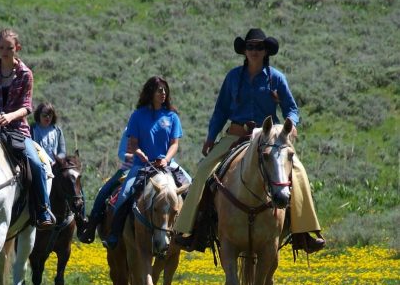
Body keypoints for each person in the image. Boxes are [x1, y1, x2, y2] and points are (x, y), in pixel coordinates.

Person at [174, 28, 324, 254]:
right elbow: (221, 110)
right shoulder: (233, 77)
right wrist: (211, 138)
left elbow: (292, 109)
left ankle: (303, 233)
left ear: (266, 51)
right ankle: (193, 230)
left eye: (259, 47)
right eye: (251, 47)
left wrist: (290, 124)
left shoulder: (277, 78)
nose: (255, 51)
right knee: (204, 170)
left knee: (299, 172)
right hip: (236, 134)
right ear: (244, 51)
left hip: (269, 137)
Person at [0, 28, 55, 229]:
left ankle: (43, 209)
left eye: (9, 48)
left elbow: (27, 107)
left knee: (35, 163)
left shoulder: (26, 74)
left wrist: (9, 117)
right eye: (1, 47)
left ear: (17, 48)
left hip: (17, 129)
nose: (5, 51)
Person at [86, 76, 182, 250]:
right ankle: (114, 234)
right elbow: (132, 144)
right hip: (141, 166)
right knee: (124, 195)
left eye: (165, 90)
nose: (163, 93)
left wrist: (166, 159)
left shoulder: (172, 116)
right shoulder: (138, 116)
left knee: (190, 188)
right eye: (159, 90)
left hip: (167, 164)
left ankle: (189, 236)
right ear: (150, 92)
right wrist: (140, 154)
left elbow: (174, 144)